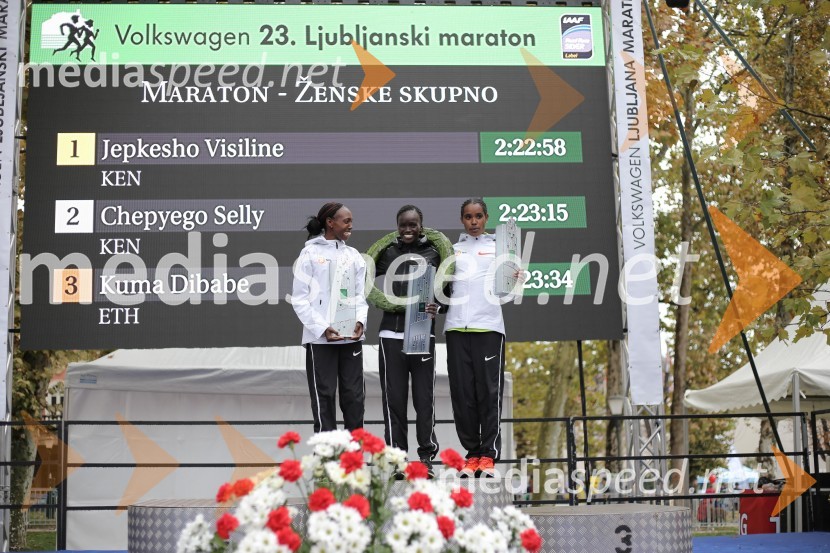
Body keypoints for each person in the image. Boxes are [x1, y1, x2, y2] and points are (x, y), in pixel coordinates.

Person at [366, 205, 453, 477]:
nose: (407, 230)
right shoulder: (388, 252)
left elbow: (447, 293)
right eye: (403, 225)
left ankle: (426, 459)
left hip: (421, 332)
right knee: (394, 401)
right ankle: (397, 461)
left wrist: (438, 307)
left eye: (412, 225)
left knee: (424, 400)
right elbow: (364, 272)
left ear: (421, 226)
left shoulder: (436, 252)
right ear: (397, 225)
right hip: (390, 335)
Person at [443, 198, 521, 477]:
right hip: (455, 329)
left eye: (478, 216)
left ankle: (488, 456)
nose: (473, 221)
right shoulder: (452, 250)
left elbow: (506, 294)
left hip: (488, 328)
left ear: (486, 218)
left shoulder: (499, 249)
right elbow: (444, 290)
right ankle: (472, 454)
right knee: (463, 395)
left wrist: (515, 280)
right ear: (462, 219)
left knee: (489, 393)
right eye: (468, 216)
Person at [291, 202, 368, 433]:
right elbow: (300, 299)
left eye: (351, 221)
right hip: (320, 341)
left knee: (354, 399)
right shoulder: (310, 254)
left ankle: (355, 460)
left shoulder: (354, 255)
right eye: (346, 221)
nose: (350, 226)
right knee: (324, 398)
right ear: (330, 222)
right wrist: (323, 328)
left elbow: (359, 296)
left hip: (350, 340)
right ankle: (327, 461)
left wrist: (360, 322)